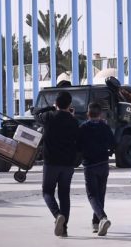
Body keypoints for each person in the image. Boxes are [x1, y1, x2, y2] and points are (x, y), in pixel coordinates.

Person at [41, 90, 81, 236]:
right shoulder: (74, 121)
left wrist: (51, 108)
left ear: (56, 103)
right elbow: (78, 141)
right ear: (70, 104)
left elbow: (35, 113)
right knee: (64, 195)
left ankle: (57, 215)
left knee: (47, 192)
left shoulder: (49, 117)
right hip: (68, 163)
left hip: (51, 162)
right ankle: (64, 229)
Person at [79, 102, 116, 235]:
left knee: (92, 195)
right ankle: (96, 223)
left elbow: (78, 145)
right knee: (100, 195)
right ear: (100, 114)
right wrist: (108, 151)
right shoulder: (104, 127)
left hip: (90, 165)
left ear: (88, 114)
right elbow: (113, 143)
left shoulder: (83, 127)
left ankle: (102, 218)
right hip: (103, 164)